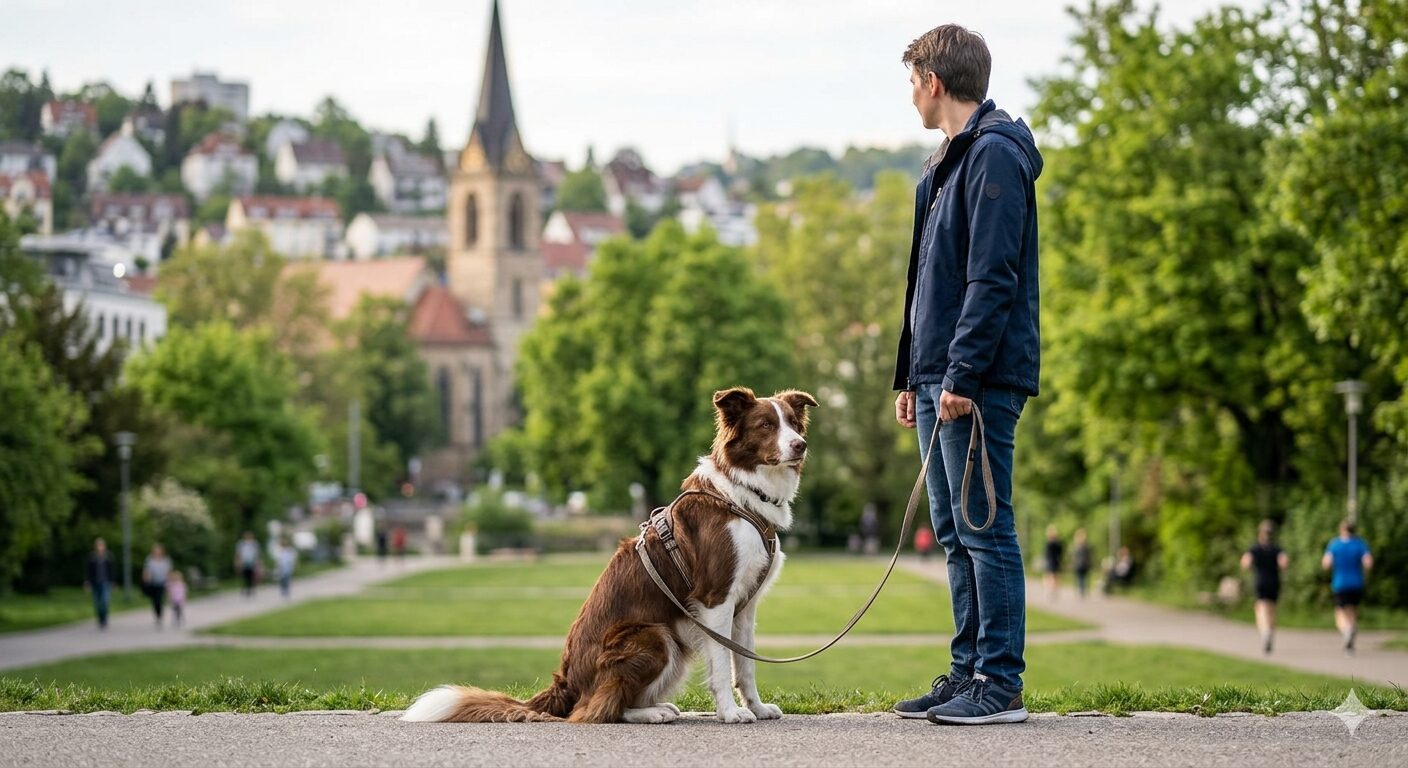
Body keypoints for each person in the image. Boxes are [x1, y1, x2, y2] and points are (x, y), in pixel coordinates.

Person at [890, 23, 1042, 727]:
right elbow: (924, 279)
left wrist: (959, 374)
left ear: (935, 83)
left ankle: (999, 681)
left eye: (912, 80)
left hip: (974, 381)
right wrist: (910, 376)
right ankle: (966, 670)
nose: (910, 94)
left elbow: (992, 278)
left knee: (985, 525)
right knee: (954, 530)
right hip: (937, 378)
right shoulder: (944, 163)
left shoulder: (996, 158)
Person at [1322, 520, 1373, 655]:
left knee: (1340, 612)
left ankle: (1347, 631)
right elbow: (1368, 562)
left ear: (1341, 529)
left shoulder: (1335, 544)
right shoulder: (1360, 544)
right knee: (1352, 611)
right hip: (1356, 582)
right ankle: (1350, 642)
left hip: (1340, 583)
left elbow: (1326, 563)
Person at [1241, 520, 1288, 655]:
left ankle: (1265, 632)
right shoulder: (1277, 549)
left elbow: (1245, 563)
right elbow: (1284, 563)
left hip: (1260, 581)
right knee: (1272, 609)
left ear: (1260, 533)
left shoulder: (1254, 549)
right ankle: (1270, 633)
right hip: (1274, 582)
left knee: (1261, 609)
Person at [84, 538, 115, 630]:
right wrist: (87, 582)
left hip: (106, 582)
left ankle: (104, 619)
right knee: (97, 602)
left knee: (105, 601)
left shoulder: (108, 557)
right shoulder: (92, 557)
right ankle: (100, 619)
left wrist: (113, 582)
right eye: (98, 545)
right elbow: (88, 571)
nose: (100, 547)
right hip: (95, 583)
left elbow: (112, 571)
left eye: (101, 545)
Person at [141, 543, 173, 628]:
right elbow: (146, 571)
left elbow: (168, 572)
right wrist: (146, 579)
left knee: (159, 599)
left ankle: (160, 616)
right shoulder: (150, 560)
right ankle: (157, 615)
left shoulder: (166, 560)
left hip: (162, 583)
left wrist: (169, 582)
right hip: (153, 583)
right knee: (155, 601)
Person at [235, 531, 261, 597]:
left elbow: (257, 554)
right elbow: (238, 554)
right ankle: (247, 588)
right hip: (244, 562)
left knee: (252, 576)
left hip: (252, 562)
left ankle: (250, 588)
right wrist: (238, 562)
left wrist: (258, 562)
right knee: (245, 576)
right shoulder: (241, 544)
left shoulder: (254, 544)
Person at [1042, 525, 1064, 601]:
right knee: (1055, 577)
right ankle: (1054, 591)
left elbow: (1046, 553)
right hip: (1056, 561)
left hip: (1050, 562)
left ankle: (1050, 591)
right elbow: (1061, 553)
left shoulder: (1049, 543)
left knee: (1050, 577)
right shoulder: (1058, 543)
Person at [1071, 529, 1092, 599]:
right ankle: (1081, 591)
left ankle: (1082, 591)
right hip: (1080, 565)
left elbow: (1087, 556)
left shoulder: (1082, 547)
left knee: (1082, 578)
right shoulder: (1080, 546)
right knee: (1081, 578)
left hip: (1082, 565)